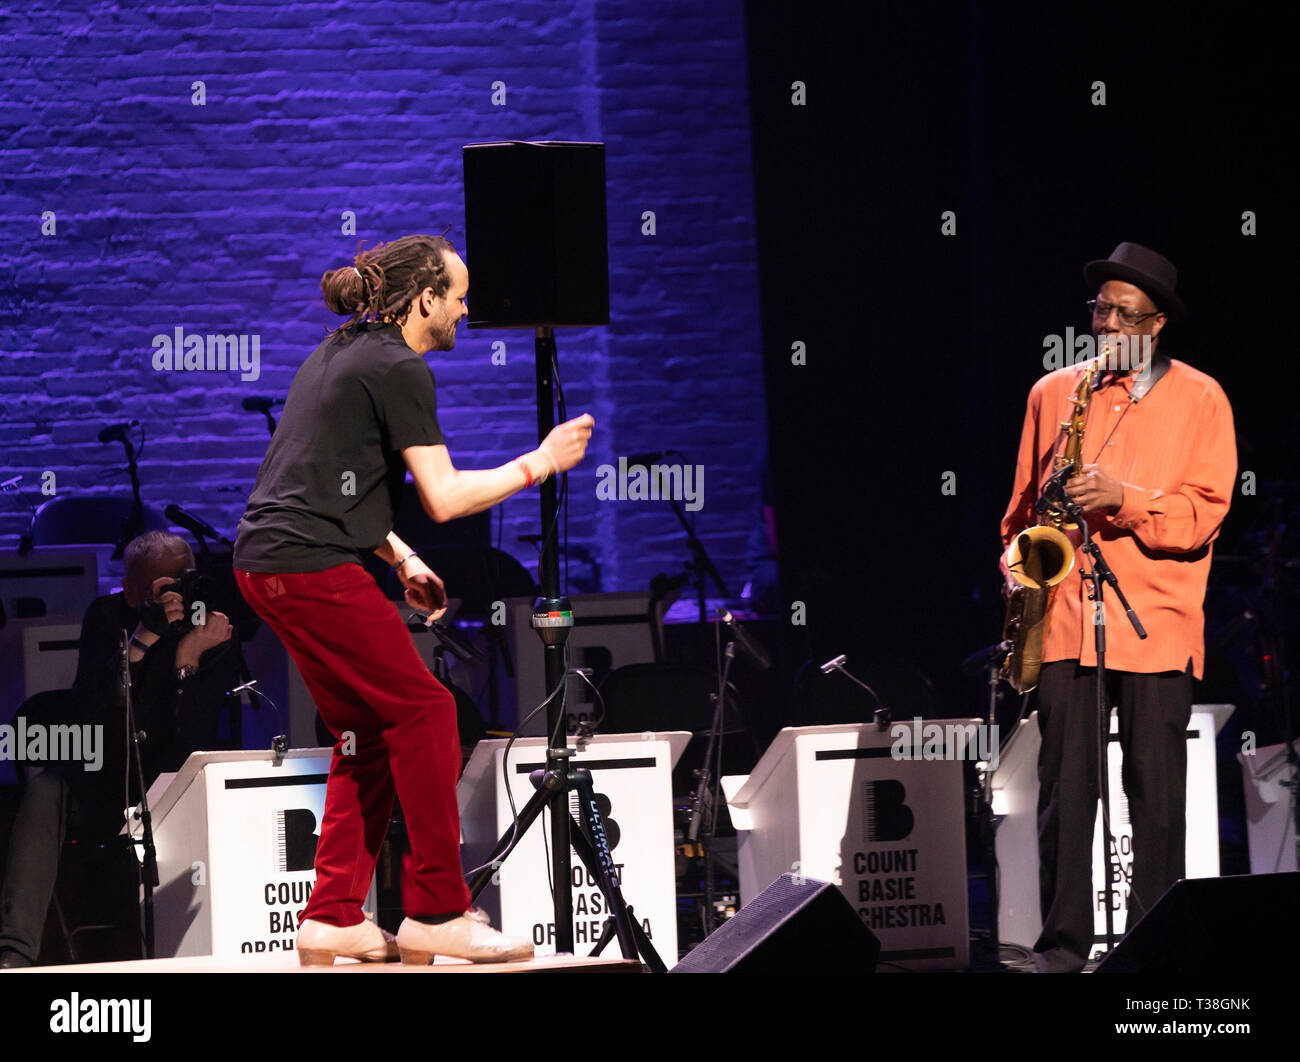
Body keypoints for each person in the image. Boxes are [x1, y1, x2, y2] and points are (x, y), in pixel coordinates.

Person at [233, 233, 593, 965]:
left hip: (267, 564)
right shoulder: (398, 367)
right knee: (427, 712)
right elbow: (444, 495)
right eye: (457, 296)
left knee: (363, 731)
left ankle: (333, 915)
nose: (465, 310)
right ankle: (436, 911)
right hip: (308, 566)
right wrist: (542, 461)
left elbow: (323, 481)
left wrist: (399, 556)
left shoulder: (342, 349)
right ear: (425, 297)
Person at [1000, 242, 1236, 973]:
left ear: (1157, 323)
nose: (1107, 325)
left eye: (1124, 314)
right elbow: (1019, 519)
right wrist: (1020, 575)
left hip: (1156, 624)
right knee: (1064, 801)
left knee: (1157, 803)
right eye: (1100, 310)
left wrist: (1122, 500)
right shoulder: (1053, 394)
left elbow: (1203, 515)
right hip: (1066, 619)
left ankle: (1155, 953)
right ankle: (1064, 951)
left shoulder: (1201, 398)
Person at [0, 531, 237, 967]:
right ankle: (14, 955)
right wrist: (144, 639)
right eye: (164, 586)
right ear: (130, 589)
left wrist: (187, 657)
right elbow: (90, 709)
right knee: (44, 790)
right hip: (105, 782)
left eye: (183, 581)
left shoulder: (207, 625)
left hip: (173, 787)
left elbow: (194, 741)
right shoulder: (108, 616)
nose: (177, 596)